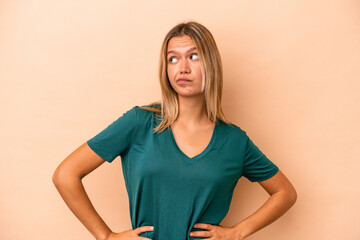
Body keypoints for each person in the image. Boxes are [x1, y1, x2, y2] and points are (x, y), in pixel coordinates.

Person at [52, 21, 297, 240]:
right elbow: (65, 174)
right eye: (173, 59)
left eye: (194, 56)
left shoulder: (234, 141)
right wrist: (106, 236)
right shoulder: (140, 122)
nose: (182, 68)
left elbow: (285, 192)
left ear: (211, 64)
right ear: (166, 69)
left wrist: (237, 233)